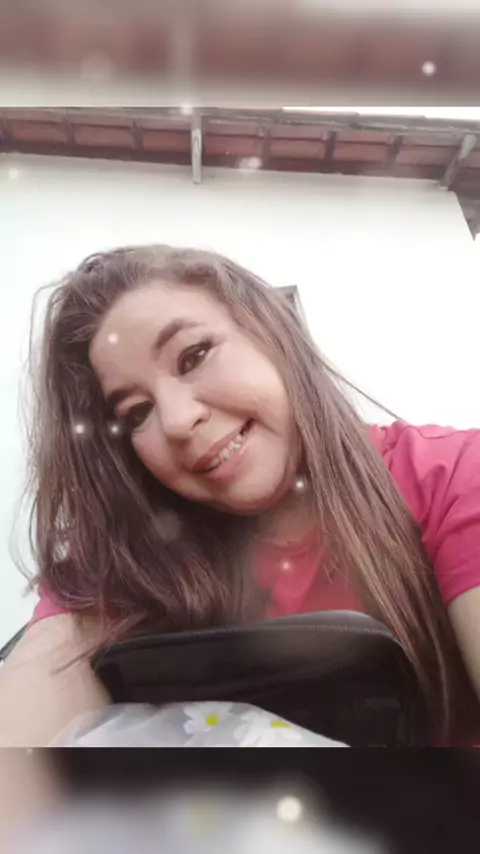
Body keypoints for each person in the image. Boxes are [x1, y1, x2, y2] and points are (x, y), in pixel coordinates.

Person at [1, 244, 480, 746]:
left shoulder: (450, 475)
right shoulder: (123, 561)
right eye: (137, 412)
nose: (178, 420)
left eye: (194, 356)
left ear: (274, 332)